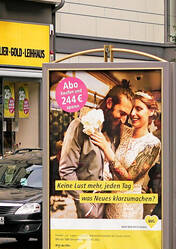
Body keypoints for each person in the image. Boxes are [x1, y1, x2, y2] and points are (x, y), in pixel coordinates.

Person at [58, 81, 135, 219]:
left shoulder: (116, 133)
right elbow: (66, 170)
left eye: (126, 115)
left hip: (109, 208)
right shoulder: (78, 126)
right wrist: (85, 206)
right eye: (121, 113)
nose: (124, 120)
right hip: (86, 207)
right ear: (109, 103)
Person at [91, 92, 161, 220]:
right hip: (109, 203)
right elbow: (109, 117)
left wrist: (106, 149)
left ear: (151, 111)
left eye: (138, 109)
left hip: (129, 208)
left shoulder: (153, 144)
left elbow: (129, 179)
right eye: (132, 109)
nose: (132, 113)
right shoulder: (124, 131)